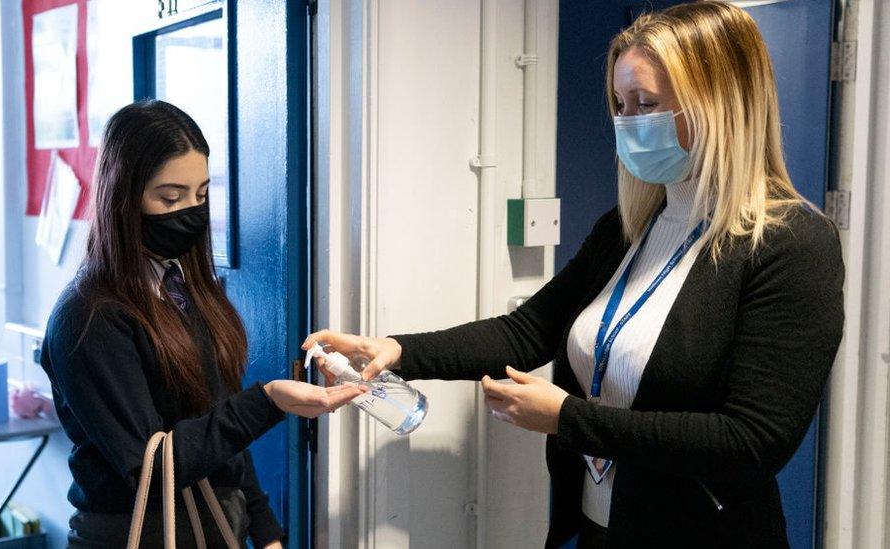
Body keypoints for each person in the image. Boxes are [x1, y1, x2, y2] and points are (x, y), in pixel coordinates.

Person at [303, 3, 844, 547]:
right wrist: (396, 350)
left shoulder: (792, 245)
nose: (628, 122)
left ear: (722, 105)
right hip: (598, 525)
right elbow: (528, 330)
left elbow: (752, 442)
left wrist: (569, 418)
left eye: (646, 104)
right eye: (621, 104)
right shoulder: (630, 227)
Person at [41, 100, 365, 548]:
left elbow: (215, 429)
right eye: (170, 198)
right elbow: (150, 471)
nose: (191, 213)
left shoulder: (186, 291)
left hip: (213, 525)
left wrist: (265, 528)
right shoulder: (88, 319)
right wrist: (269, 401)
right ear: (122, 197)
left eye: (202, 195)